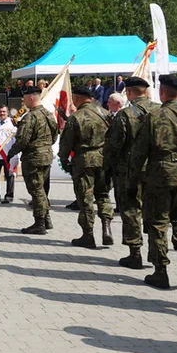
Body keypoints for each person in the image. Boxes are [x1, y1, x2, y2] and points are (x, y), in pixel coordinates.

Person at [128, 75, 177, 289]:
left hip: (160, 174)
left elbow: (139, 153)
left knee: (158, 222)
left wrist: (132, 181)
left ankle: (161, 270)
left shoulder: (154, 116)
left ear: (162, 92)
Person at [104, 77, 155, 269]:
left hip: (130, 170)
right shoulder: (161, 110)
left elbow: (114, 145)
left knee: (132, 210)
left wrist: (108, 168)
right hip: (155, 170)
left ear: (129, 93)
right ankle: (156, 252)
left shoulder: (125, 115)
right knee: (154, 211)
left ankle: (135, 253)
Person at [58, 85, 113, 249]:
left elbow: (66, 143)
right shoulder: (106, 113)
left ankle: (88, 235)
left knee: (86, 199)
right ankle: (107, 228)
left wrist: (64, 159)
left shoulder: (76, 117)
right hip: (104, 159)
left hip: (84, 162)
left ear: (77, 98)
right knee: (103, 195)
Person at [10, 87, 58, 233]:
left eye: (24, 98)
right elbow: (55, 135)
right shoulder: (49, 114)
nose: (23, 102)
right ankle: (46, 218)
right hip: (46, 155)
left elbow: (22, 140)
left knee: (36, 190)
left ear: (31, 98)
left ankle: (39, 223)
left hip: (33, 158)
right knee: (41, 189)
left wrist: (11, 152)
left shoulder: (30, 116)